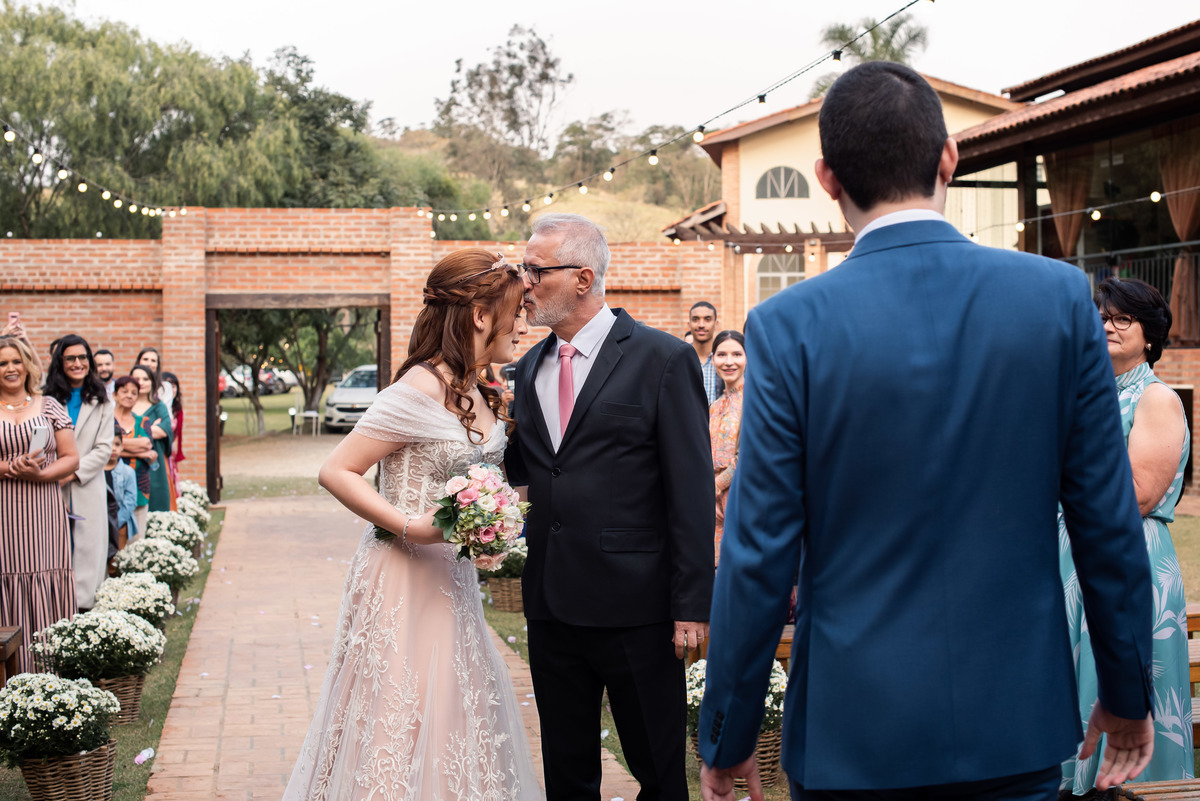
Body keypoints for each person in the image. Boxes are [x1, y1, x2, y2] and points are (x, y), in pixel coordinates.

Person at [698, 62, 1155, 801]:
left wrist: (730, 730)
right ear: (949, 158)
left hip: (855, 732)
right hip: (1013, 721)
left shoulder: (788, 324)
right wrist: (1130, 695)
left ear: (825, 176)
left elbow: (758, 551)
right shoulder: (1058, 299)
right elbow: (1106, 519)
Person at [282, 248, 541, 800]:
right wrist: (410, 526)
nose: (523, 324)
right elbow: (337, 469)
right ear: (479, 315)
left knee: (456, 705)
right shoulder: (417, 389)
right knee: (398, 714)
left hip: (452, 581)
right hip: (402, 576)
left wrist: (489, 527)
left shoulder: (476, 386)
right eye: (516, 310)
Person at [505, 213, 715, 801]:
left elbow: (692, 491)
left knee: (658, 772)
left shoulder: (662, 359)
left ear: (582, 277)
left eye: (535, 270)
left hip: (638, 611)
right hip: (550, 607)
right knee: (567, 774)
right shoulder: (526, 370)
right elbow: (528, 469)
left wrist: (691, 604)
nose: (524, 282)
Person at [1059, 277, 1193, 796]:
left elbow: (1136, 493)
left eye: (1123, 318)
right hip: (1070, 557)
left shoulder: (1157, 398)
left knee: (1112, 678)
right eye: (1101, 316)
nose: (1107, 325)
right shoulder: (1085, 393)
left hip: (1124, 558)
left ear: (1150, 335)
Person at [0, 335, 80, 673]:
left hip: (44, 510)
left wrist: (41, 475)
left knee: (45, 576)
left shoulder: (48, 405)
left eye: (15, 361)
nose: (10, 368)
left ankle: (51, 672)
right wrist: (8, 467)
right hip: (4, 507)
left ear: (27, 365)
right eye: (2, 363)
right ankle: (11, 675)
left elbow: (71, 458)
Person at [43, 334, 115, 610]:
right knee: (53, 547)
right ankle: (52, 608)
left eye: (82, 357)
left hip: (86, 485)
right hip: (48, 485)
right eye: (70, 358)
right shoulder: (44, 397)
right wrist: (51, 474)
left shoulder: (102, 400)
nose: (77, 363)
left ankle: (84, 612)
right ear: (60, 362)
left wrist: (70, 472)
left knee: (87, 550)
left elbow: (103, 449)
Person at [708, 330, 745, 566]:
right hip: (714, 508)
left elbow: (747, 455)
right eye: (721, 354)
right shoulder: (714, 407)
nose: (729, 361)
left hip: (743, 498)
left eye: (736, 354)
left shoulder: (756, 401)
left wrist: (714, 486)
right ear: (713, 359)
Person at [129, 365, 173, 513]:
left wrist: (132, 434)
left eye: (145, 379)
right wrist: (149, 428)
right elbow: (116, 434)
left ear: (152, 382)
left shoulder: (158, 406)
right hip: (127, 464)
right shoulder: (125, 405)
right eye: (137, 379)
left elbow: (164, 430)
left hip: (155, 465)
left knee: (156, 508)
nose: (141, 382)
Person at [113, 374, 154, 532]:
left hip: (139, 487)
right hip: (110, 486)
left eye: (134, 392)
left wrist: (117, 444)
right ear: (115, 395)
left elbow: (147, 444)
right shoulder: (106, 420)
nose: (129, 395)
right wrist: (140, 454)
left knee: (137, 541)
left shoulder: (143, 421)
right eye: (124, 391)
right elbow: (103, 448)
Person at [105, 423, 138, 553]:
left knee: (116, 561)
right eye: (109, 444)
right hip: (99, 524)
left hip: (119, 525)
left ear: (122, 447)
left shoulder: (128, 472)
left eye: (117, 444)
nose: (113, 449)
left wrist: (115, 523)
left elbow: (130, 502)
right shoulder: (96, 472)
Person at [689, 301, 721, 404]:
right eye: (695, 319)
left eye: (707, 319)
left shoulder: (724, 359)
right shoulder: (680, 357)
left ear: (716, 324)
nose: (701, 325)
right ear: (689, 324)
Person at [161, 371, 185, 497]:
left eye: (173, 386)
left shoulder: (177, 410)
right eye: (167, 385)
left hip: (170, 452)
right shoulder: (158, 408)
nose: (170, 389)